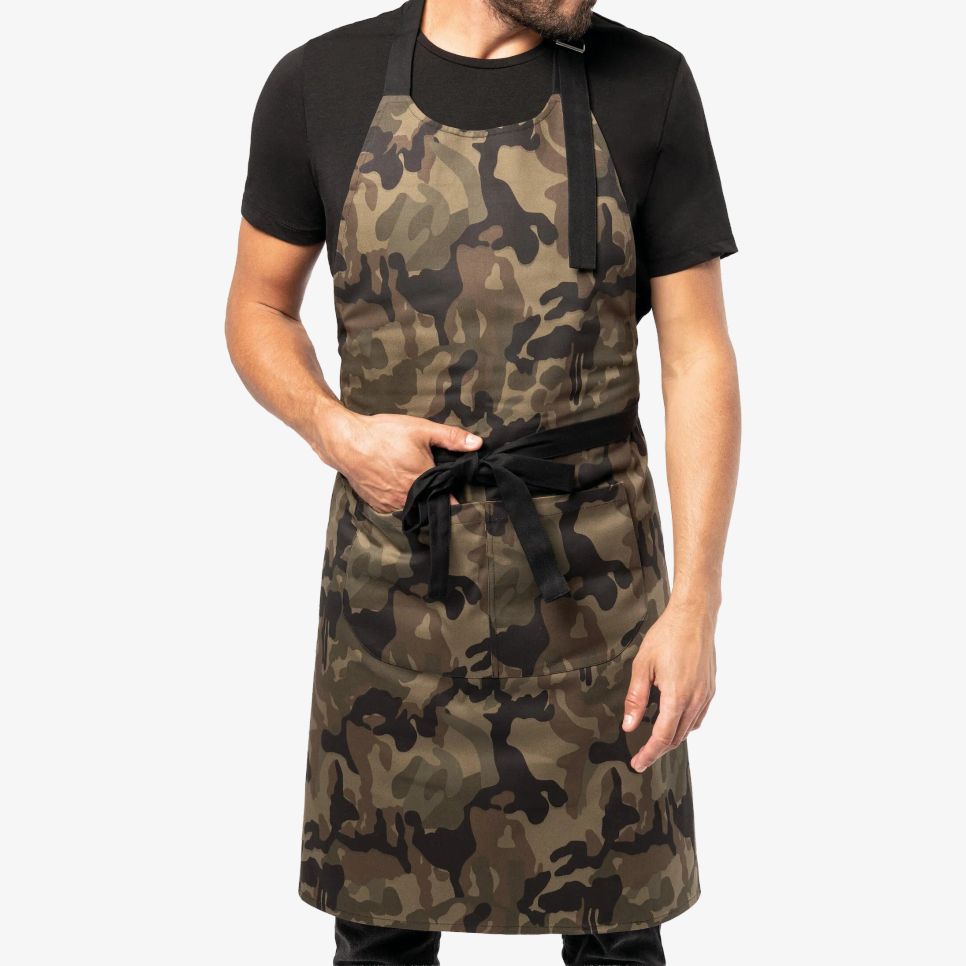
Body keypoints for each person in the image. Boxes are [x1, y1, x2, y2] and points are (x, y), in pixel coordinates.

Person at [226, 0, 740, 962]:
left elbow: (697, 358)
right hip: (393, 599)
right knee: (379, 935)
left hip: (598, 598)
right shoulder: (320, 86)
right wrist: (336, 431)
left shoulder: (651, 86)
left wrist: (698, 605)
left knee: (618, 936)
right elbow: (257, 306)